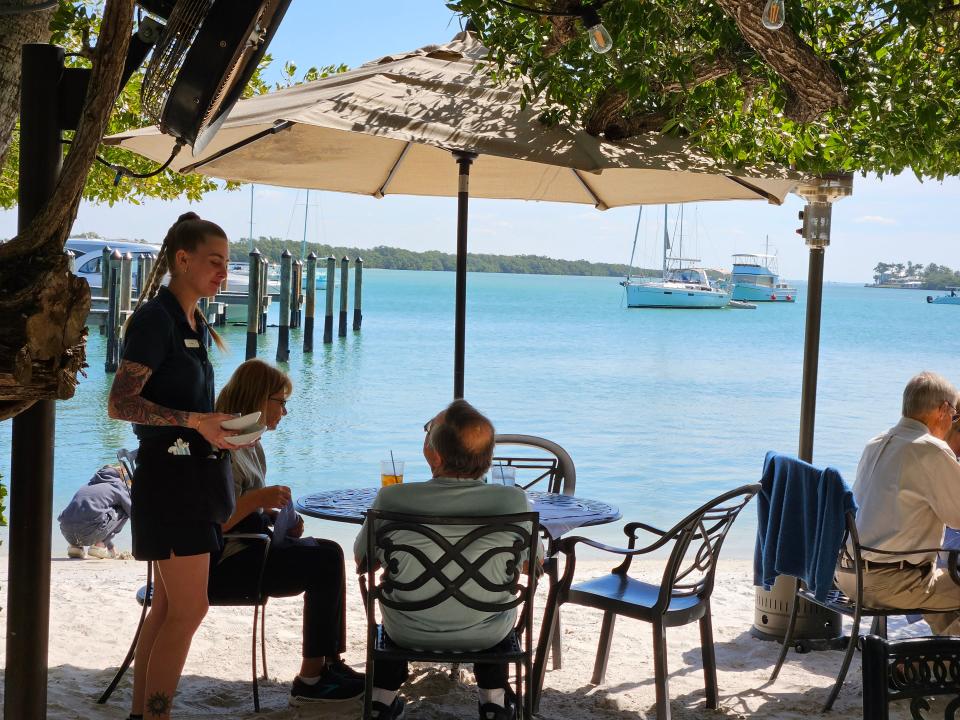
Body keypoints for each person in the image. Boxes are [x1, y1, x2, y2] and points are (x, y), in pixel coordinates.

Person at [108, 212, 240, 720]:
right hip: (169, 482)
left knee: (166, 610)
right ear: (182, 260)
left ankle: (144, 714)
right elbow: (120, 404)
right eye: (214, 262)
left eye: (226, 264)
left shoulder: (193, 322)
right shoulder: (154, 319)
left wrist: (218, 429)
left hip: (197, 479)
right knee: (190, 609)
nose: (222, 273)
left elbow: (189, 416)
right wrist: (193, 420)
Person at [354, 399, 541, 720]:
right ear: (488, 456)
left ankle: (382, 700)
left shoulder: (393, 497)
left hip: (407, 630)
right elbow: (531, 567)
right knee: (488, 602)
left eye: (429, 432)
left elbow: (364, 563)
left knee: (400, 597)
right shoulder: (513, 500)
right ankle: (493, 701)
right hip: (488, 634)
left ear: (435, 455)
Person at [210, 358, 364, 704]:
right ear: (258, 400)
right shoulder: (224, 448)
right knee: (324, 560)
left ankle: (328, 663)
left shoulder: (250, 443)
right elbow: (216, 522)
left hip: (250, 547)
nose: (284, 411)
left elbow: (245, 506)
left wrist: (274, 515)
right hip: (226, 564)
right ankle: (312, 678)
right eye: (280, 401)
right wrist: (257, 501)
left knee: (327, 551)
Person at [836, 371, 960, 635]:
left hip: (848, 575)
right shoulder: (931, 450)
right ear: (943, 410)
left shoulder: (875, 443)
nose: (952, 422)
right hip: (890, 583)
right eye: (954, 415)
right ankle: (926, 666)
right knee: (948, 583)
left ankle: (941, 660)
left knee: (946, 591)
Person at [58, 463, 132, 559]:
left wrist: (111, 546)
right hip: (90, 532)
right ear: (124, 476)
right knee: (124, 509)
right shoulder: (118, 485)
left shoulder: (87, 486)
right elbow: (133, 513)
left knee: (88, 511)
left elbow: (95, 515)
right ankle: (99, 546)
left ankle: (75, 547)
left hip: (67, 533)